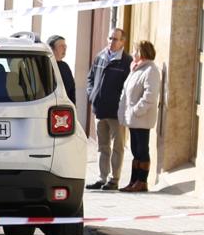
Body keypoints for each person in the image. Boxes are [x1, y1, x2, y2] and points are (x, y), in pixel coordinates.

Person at [85, 28, 132, 190]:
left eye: (115, 39)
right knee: (102, 146)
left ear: (122, 42)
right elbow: (90, 78)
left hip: (116, 113)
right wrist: (92, 95)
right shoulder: (100, 56)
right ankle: (101, 177)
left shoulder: (127, 61)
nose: (112, 42)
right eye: (110, 38)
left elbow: (128, 88)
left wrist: (120, 105)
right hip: (99, 110)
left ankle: (114, 179)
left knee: (117, 147)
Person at [118, 40, 161, 193]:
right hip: (133, 118)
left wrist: (136, 111)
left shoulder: (151, 70)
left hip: (141, 118)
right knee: (135, 150)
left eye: (135, 51)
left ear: (142, 53)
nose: (133, 54)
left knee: (142, 150)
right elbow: (126, 92)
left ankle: (142, 182)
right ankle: (133, 181)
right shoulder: (135, 69)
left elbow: (150, 96)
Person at [47, 35, 76, 104]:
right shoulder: (45, 66)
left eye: (65, 46)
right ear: (52, 48)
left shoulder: (65, 66)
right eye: (61, 46)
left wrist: (73, 106)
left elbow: (72, 89)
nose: (65, 48)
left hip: (65, 106)